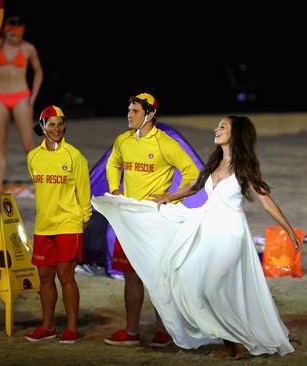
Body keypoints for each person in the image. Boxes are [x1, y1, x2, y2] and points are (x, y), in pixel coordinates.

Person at [92, 115, 300, 358]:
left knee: (212, 288)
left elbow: (265, 201)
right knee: (195, 283)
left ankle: (236, 344)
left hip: (231, 232)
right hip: (207, 227)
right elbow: (196, 187)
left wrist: (289, 229)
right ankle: (231, 342)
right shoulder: (215, 163)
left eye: (223, 126)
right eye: (218, 125)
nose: (217, 129)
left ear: (237, 134)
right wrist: (169, 197)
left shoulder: (244, 167)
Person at [103, 93, 199, 347]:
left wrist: (171, 197)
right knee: (131, 277)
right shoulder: (123, 140)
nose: (129, 115)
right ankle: (132, 332)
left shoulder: (165, 143)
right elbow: (113, 163)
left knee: (158, 278)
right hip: (129, 221)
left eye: (134, 111)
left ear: (150, 114)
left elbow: (194, 175)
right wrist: (115, 189)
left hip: (155, 222)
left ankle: (163, 331)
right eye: (129, 110)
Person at [24, 106, 91, 344]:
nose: (56, 129)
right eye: (51, 124)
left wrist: (82, 221)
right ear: (42, 127)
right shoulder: (33, 157)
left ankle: (71, 327)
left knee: (66, 276)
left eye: (60, 124)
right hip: (43, 226)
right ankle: (48, 326)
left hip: (68, 225)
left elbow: (84, 194)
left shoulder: (75, 156)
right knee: (44, 277)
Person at [0, 16, 43, 193]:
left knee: (28, 145)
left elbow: (38, 72)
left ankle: (40, 184)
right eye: (13, 36)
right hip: (0, 96)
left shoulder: (28, 48)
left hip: (21, 96)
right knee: (0, 145)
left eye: (19, 35)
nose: (17, 39)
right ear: (7, 32)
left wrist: (32, 97)